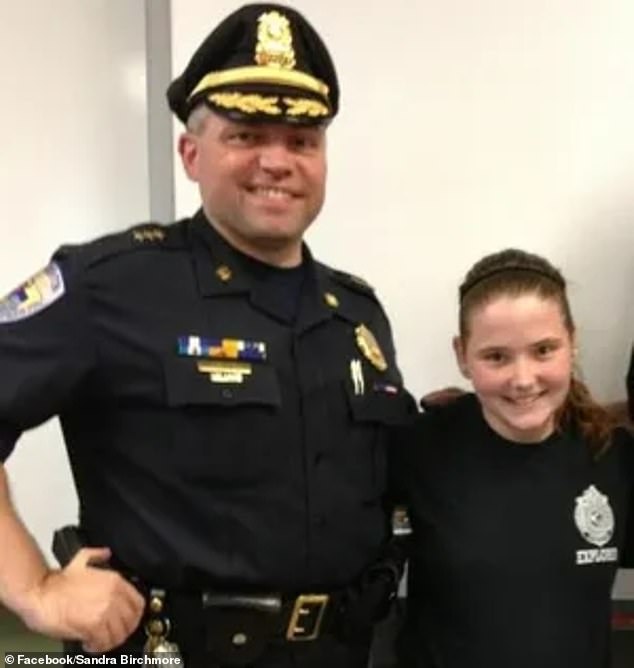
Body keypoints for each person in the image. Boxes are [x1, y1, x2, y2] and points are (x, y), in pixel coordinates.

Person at [0, 4, 414, 666]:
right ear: (191, 154)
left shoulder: (356, 315)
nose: (277, 161)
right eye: (247, 135)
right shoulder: (110, 285)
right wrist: (35, 589)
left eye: (302, 140)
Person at [391, 248, 634, 668]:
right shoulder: (417, 447)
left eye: (543, 350)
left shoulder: (613, 452)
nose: (523, 380)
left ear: (572, 343)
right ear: (462, 355)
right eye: (496, 357)